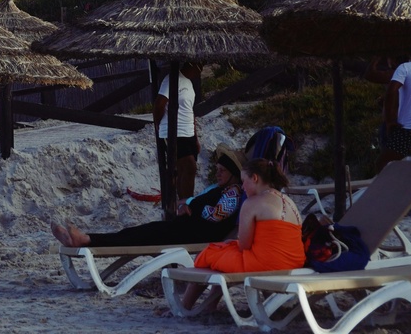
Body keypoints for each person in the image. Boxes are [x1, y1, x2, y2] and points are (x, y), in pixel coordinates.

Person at [52, 146, 246, 249]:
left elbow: (215, 215)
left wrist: (193, 206)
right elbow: (199, 205)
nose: (217, 173)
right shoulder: (220, 189)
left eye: (222, 170)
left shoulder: (233, 193)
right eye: (217, 169)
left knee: (141, 235)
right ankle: (85, 239)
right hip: (187, 229)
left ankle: (86, 240)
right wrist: (188, 203)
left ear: (234, 174)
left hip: (195, 235)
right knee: (139, 232)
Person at [192, 158, 305, 272]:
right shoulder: (289, 202)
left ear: (254, 178)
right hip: (295, 263)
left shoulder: (251, 203)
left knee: (208, 254)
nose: (242, 187)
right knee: (226, 249)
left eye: (243, 181)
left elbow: (244, 246)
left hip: (268, 264)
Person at [155, 62, 201, 201]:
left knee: (185, 171)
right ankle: (186, 203)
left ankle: (184, 202)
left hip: (188, 132)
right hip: (175, 132)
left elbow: (190, 111)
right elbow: (159, 104)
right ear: (191, 64)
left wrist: (196, 137)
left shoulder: (189, 83)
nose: (201, 69)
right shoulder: (172, 79)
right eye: (200, 65)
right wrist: (158, 124)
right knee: (189, 167)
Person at [378, 56, 411, 169]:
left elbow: (392, 90)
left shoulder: (405, 67)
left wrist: (390, 121)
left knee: (383, 164)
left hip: (408, 128)